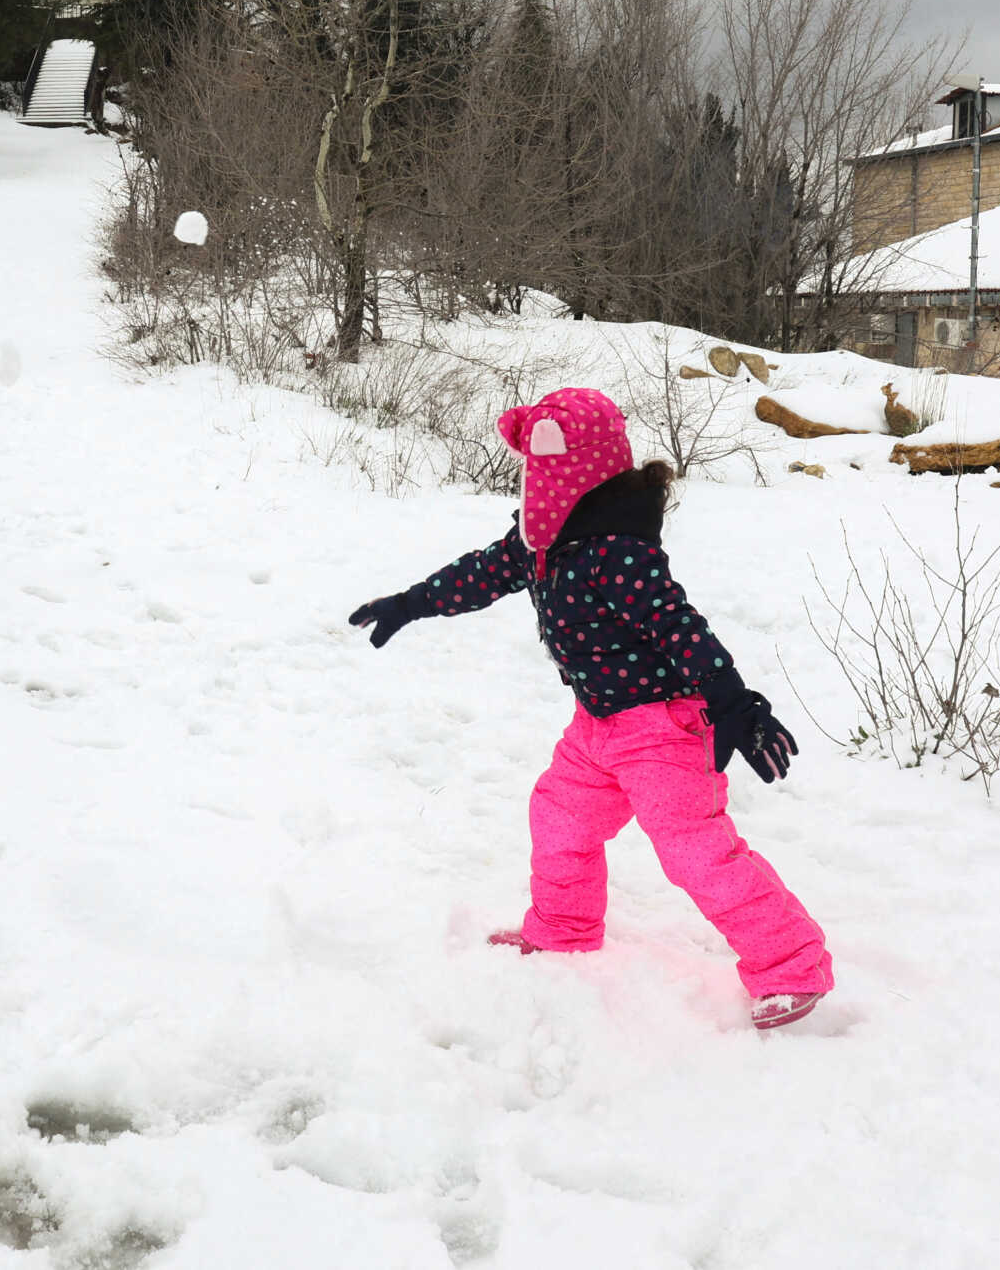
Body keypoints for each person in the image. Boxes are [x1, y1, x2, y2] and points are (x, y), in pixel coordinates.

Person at [349, 386, 834, 1030]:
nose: (537, 477)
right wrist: (412, 603)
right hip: (597, 723)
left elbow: (679, 627)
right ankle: (563, 928)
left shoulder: (619, 550)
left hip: (663, 727)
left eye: (550, 460)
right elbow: (482, 573)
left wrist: (733, 702)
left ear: (587, 466)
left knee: (695, 851)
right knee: (559, 817)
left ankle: (791, 967)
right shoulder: (544, 541)